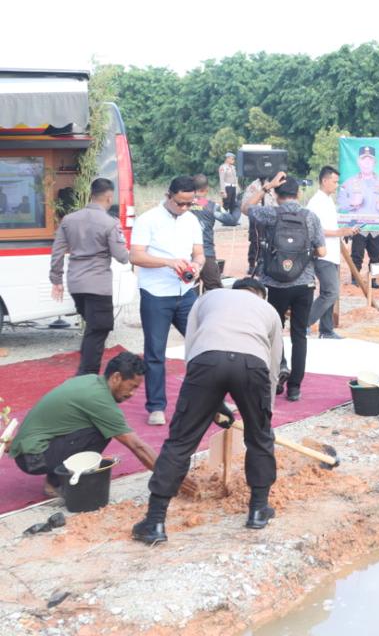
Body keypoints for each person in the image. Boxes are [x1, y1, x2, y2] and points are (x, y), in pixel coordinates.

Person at [131, 279, 282, 543]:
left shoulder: (209, 298)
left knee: (180, 442)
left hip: (206, 363)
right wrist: (264, 417)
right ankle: (258, 511)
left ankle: (155, 522)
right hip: (252, 366)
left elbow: (192, 348)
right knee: (259, 440)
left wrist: (207, 401)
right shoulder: (268, 310)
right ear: (261, 296)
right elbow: (273, 366)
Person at [8, 352, 191, 501]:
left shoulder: (92, 381)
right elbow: (137, 446)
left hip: (31, 450)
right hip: (33, 458)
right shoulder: (99, 400)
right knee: (102, 432)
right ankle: (58, 481)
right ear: (116, 377)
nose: (132, 394)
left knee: (102, 428)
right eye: (132, 387)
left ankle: (54, 480)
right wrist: (171, 479)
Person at [130, 176, 205, 426]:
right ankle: (156, 407)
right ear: (168, 196)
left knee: (203, 345)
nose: (184, 208)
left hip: (186, 292)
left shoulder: (192, 220)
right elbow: (136, 256)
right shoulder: (147, 219)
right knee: (155, 352)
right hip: (155, 294)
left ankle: (211, 399)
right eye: (180, 203)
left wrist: (196, 265)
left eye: (189, 204)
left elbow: (200, 254)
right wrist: (168, 262)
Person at [245, 172, 326, 402]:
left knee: (273, 333)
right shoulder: (310, 217)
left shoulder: (269, 213)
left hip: (275, 283)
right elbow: (321, 251)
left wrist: (266, 187)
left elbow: (245, 207)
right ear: (298, 193)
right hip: (304, 283)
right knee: (300, 335)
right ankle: (295, 388)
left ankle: (275, 377)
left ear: (277, 194)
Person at [49, 177, 130, 375]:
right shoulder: (110, 223)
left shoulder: (69, 220)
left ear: (91, 195)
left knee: (93, 329)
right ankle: (87, 378)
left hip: (75, 284)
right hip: (98, 285)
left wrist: (56, 280)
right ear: (109, 197)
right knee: (98, 330)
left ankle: (85, 372)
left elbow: (57, 252)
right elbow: (121, 257)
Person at [307, 166, 358, 340]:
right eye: (335, 182)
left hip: (332, 253)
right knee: (331, 292)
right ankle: (304, 323)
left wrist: (346, 231)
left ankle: (326, 330)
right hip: (323, 254)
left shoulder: (328, 200)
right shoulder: (316, 202)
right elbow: (316, 230)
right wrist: (340, 233)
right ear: (325, 180)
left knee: (329, 292)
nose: (337, 186)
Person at [337, 144, 379, 288]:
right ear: (359, 162)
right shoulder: (349, 182)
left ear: (374, 163)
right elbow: (341, 204)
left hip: (375, 228)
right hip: (358, 227)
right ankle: (355, 278)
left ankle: (374, 279)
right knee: (356, 255)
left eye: (370, 160)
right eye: (364, 160)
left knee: (376, 255)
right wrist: (352, 203)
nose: (367, 163)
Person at [191, 174, 241, 293]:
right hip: (206, 252)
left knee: (190, 289)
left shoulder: (183, 202)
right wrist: (237, 205)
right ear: (206, 189)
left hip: (185, 253)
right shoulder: (209, 205)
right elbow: (232, 220)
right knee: (214, 289)